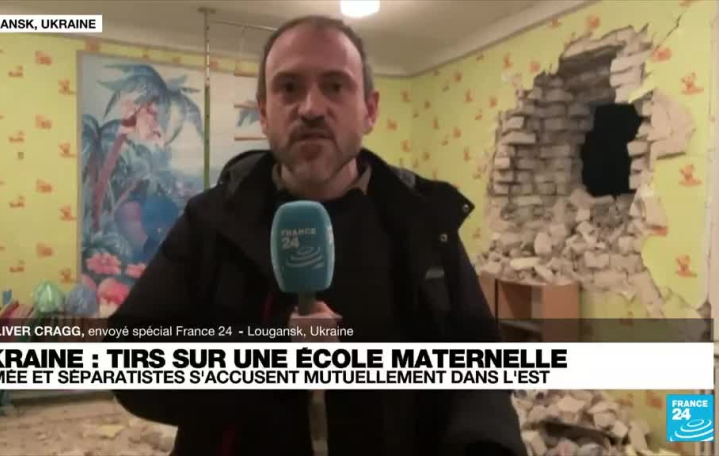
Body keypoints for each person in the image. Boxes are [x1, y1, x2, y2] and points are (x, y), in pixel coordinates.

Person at [107, 14, 526, 456]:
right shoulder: (210, 221)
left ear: (369, 110)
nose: (310, 108)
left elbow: (481, 373)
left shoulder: (423, 223)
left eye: (335, 85)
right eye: (289, 87)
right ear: (264, 113)